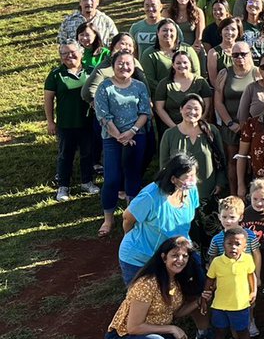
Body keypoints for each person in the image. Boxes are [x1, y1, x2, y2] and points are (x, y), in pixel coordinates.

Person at [105, 236, 204, 339]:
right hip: (122, 336)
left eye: (185, 256)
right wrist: (172, 329)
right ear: (164, 257)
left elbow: (176, 313)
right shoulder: (147, 283)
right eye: (175, 255)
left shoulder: (176, 280)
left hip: (154, 332)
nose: (180, 260)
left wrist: (198, 301)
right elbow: (134, 327)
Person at [118, 155, 202, 286]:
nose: (193, 181)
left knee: (195, 286)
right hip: (141, 258)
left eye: (194, 175)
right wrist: (128, 236)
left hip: (174, 255)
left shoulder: (190, 190)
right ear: (173, 179)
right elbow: (127, 218)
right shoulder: (150, 196)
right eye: (188, 177)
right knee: (144, 300)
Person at [95, 51, 152, 238]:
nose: (124, 67)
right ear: (113, 65)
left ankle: (131, 217)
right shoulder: (105, 87)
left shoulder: (140, 86)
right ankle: (108, 219)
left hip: (137, 136)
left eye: (128, 63)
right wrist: (119, 136)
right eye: (120, 63)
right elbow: (103, 115)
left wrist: (132, 132)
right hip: (112, 138)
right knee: (111, 179)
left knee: (133, 177)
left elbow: (145, 112)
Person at [44, 41, 99, 201]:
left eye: (72, 52)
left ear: (81, 53)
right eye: (64, 54)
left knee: (87, 154)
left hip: (88, 123)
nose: (69, 56)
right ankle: (63, 187)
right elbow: (48, 100)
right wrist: (50, 122)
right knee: (65, 155)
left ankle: (87, 182)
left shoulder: (91, 71)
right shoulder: (55, 74)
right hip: (66, 124)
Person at [201, 226, 258, 339]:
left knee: (243, 332)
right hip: (219, 306)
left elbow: (251, 275)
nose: (233, 247)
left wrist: (253, 291)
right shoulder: (217, 262)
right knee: (219, 332)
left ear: (245, 246)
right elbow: (210, 279)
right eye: (229, 244)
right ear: (223, 245)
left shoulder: (247, 259)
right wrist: (205, 297)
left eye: (238, 244)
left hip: (240, 305)